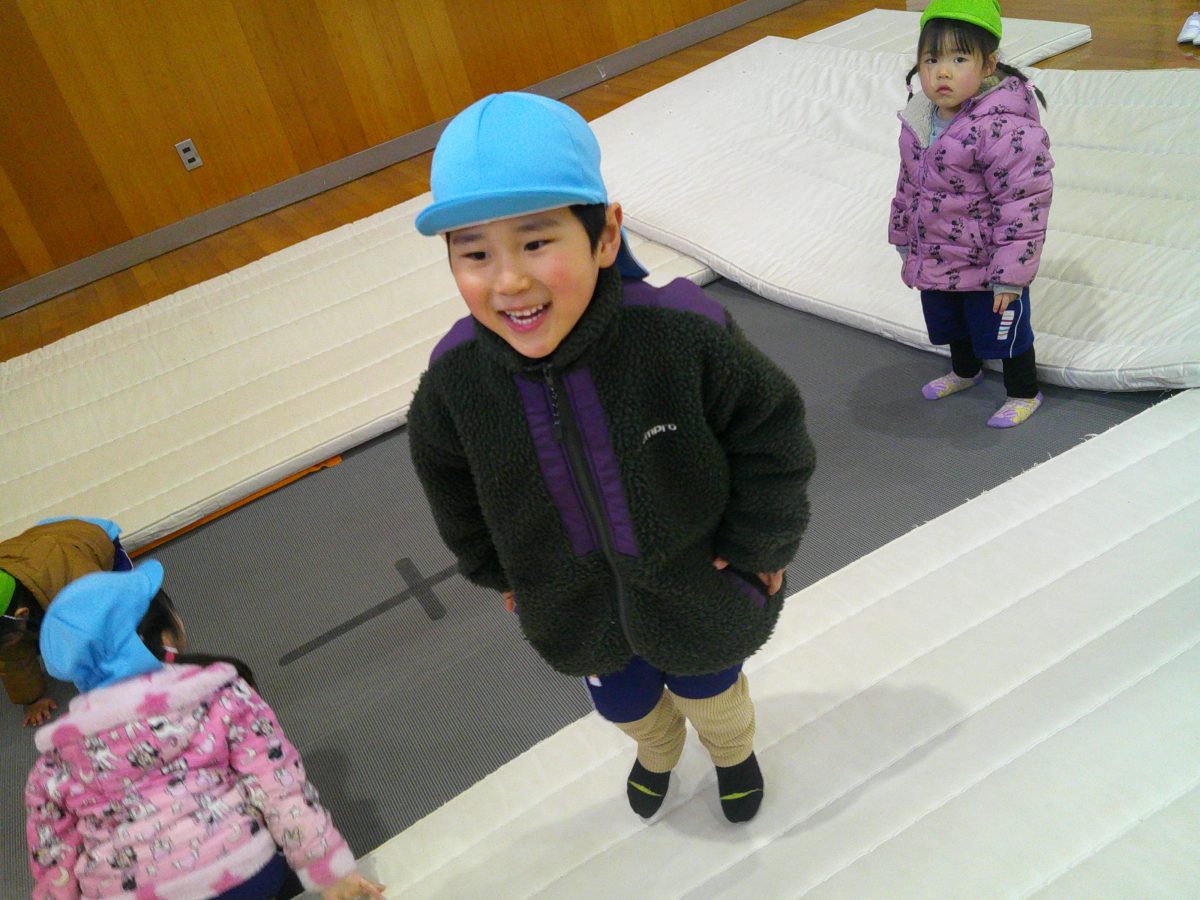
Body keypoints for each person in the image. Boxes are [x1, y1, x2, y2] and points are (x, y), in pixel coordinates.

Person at [407, 92, 815, 824]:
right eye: (474, 253)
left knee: (713, 694)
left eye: (536, 242)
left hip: (702, 589)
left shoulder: (682, 333)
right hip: (575, 608)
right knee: (626, 705)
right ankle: (657, 752)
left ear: (605, 235)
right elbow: (451, 486)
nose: (508, 281)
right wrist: (499, 570)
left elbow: (771, 432)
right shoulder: (455, 380)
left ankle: (732, 754)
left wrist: (761, 543)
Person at [24, 562, 386, 900]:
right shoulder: (217, 693)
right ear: (166, 634)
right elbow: (278, 784)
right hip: (240, 871)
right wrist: (329, 871)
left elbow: (52, 854)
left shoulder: (55, 760)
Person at [889, 0, 1054, 428]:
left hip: (987, 264)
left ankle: (1023, 391)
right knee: (950, 323)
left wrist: (1011, 274)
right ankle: (965, 371)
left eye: (959, 59)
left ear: (988, 64)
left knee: (1006, 332)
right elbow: (908, 184)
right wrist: (904, 239)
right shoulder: (919, 119)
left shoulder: (1005, 127)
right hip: (937, 255)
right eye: (932, 60)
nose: (942, 72)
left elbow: (1024, 203)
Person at [1, 517, 133, 726]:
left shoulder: (79, 585)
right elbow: (13, 658)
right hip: (28, 553)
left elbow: (104, 621)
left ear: (22, 614)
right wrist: (33, 699)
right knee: (14, 642)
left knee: (127, 605)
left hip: (87, 539)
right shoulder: (12, 619)